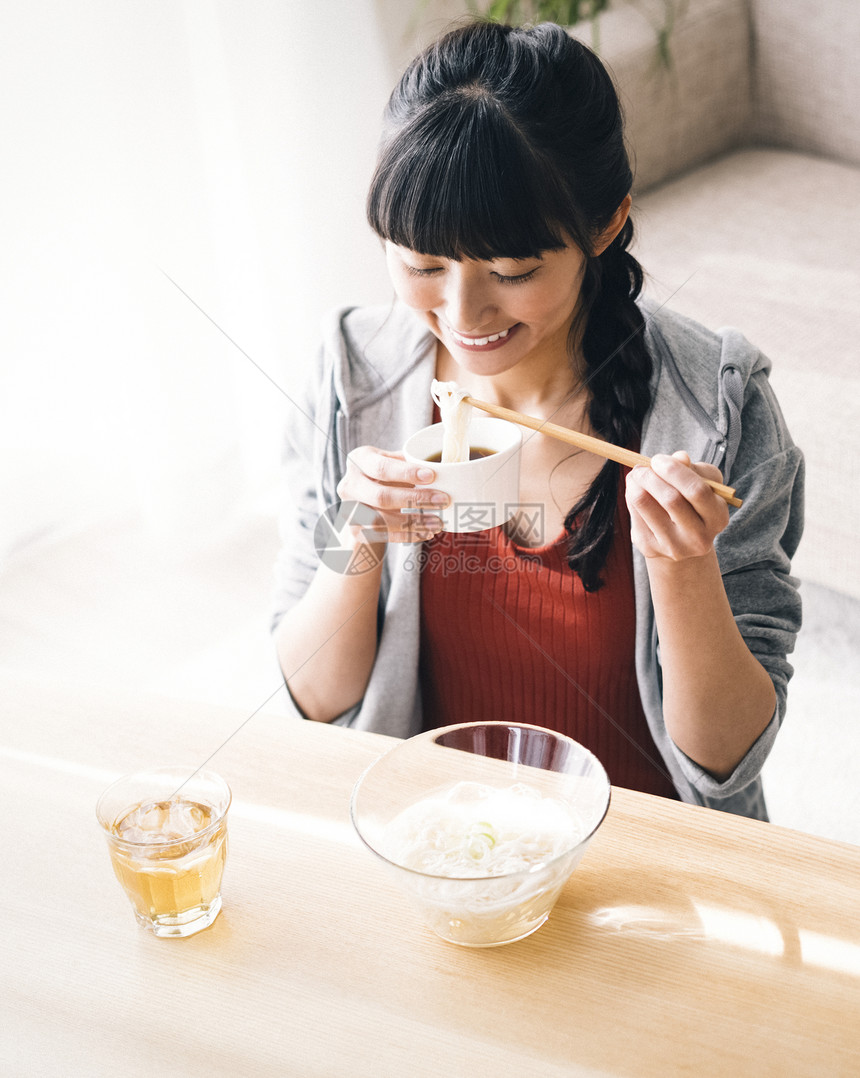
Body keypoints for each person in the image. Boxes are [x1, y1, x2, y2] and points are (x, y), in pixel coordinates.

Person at [272, 20, 803, 819]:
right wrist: (357, 538)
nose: (461, 312)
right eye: (421, 264)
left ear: (606, 223)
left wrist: (687, 568)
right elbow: (314, 705)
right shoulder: (355, 375)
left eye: (513, 271)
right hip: (439, 838)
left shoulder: (718, 409)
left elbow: (728, 763)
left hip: (653, 859)